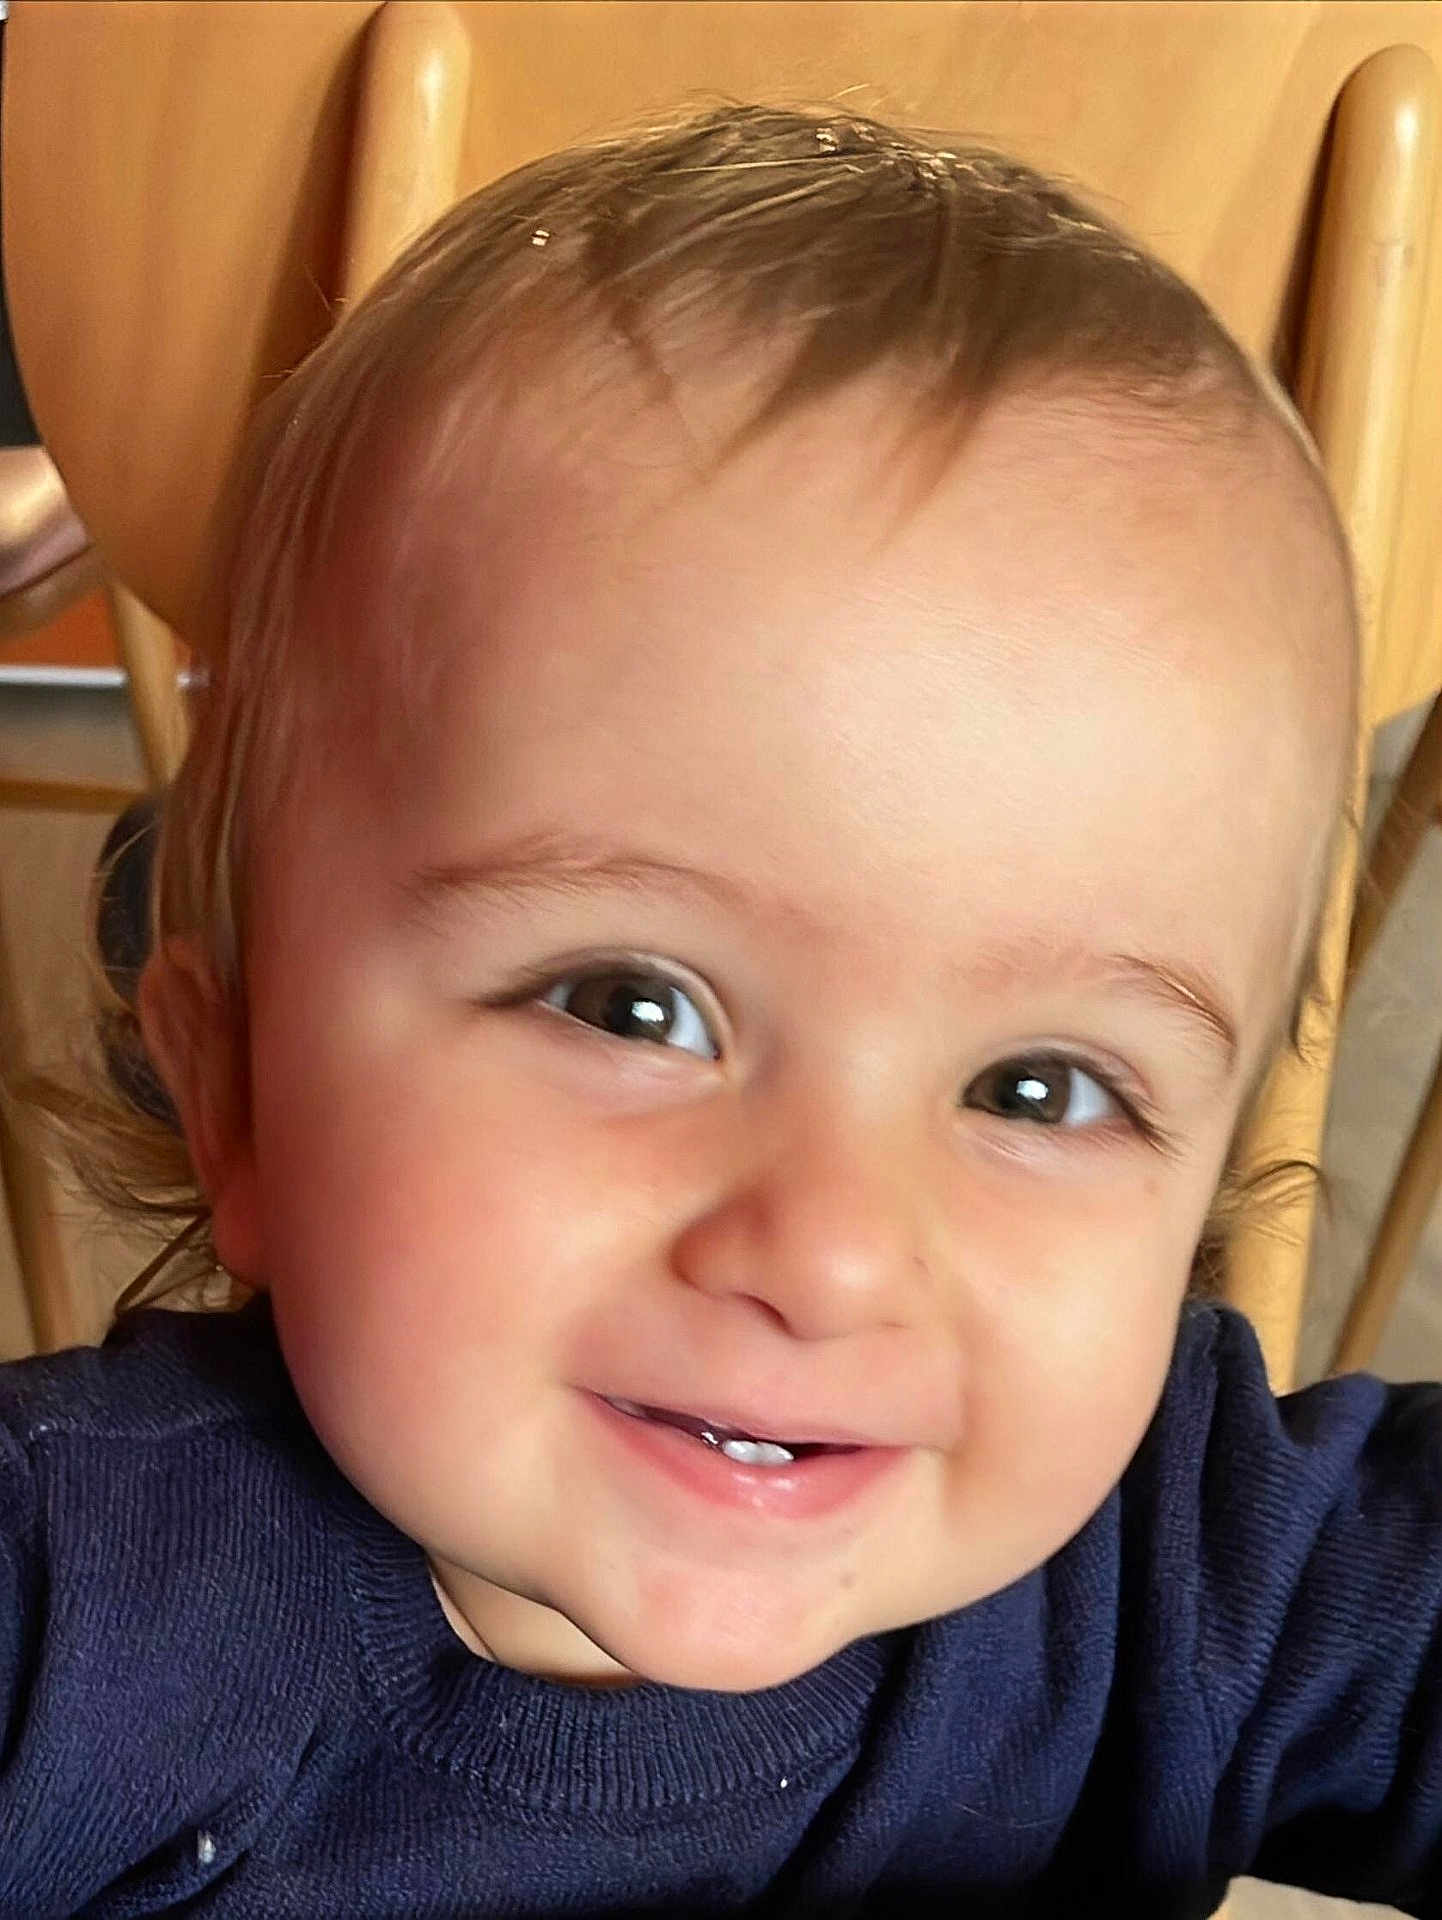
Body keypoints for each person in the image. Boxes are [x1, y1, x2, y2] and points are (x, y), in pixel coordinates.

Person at [0, 103, 1412, 1917]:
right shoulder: (75, 1614)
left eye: (1043, 1089)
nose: (828, 1255)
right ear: (233, 1095)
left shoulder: (1198, 1588)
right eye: (633, 1005)